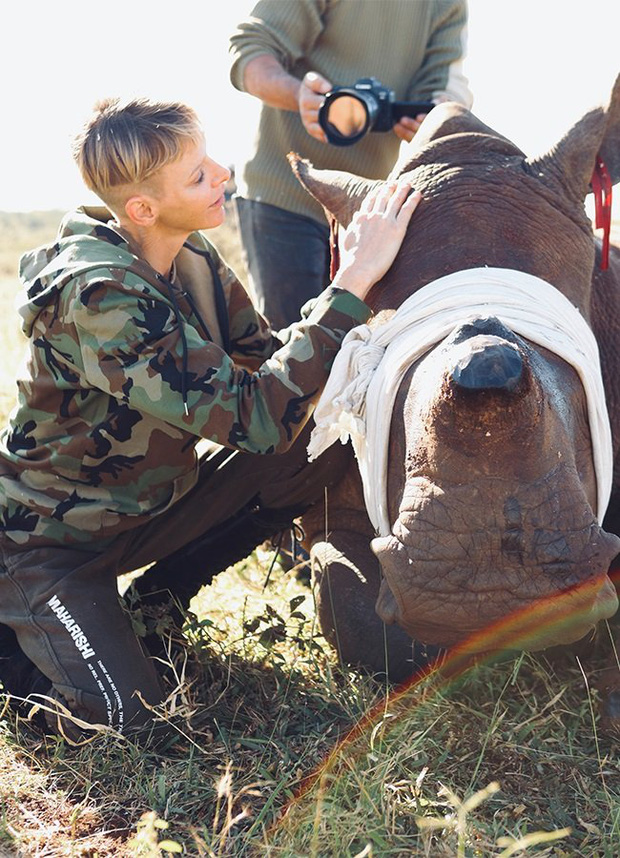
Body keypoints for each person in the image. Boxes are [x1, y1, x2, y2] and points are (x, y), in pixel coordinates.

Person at [0, 97, 420, 740]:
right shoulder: (100, 296)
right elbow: (257, 417)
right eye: (198, 175)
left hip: (146, 510)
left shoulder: (192, 256)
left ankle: (153, 606)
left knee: (320, 443)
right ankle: (24, 647)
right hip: (47, 548)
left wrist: (377, 313)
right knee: (131, 725)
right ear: (143, 209)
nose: (223, 174)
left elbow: (271, 372)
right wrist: (355, 281)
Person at [229, 0, 472, 329]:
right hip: (282, 195)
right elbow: (249, 52)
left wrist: (433, 111)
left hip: (366, 212)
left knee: (355, 349)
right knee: (291, 348)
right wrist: (300, 96)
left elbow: (444, 85)